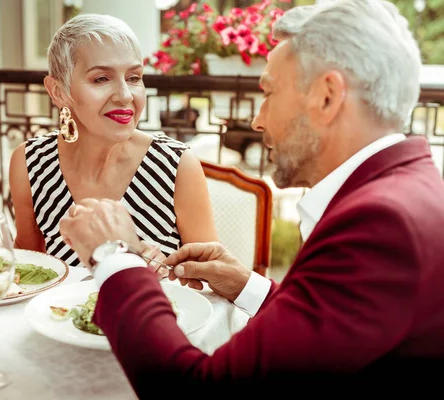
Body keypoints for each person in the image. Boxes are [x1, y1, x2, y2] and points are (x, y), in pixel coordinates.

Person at [57, 0, 444, 394]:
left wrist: (114, 257)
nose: (258, 120)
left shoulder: (382, 226)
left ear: (327, 97)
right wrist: (247, 285)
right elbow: (328, 328)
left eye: (269, 93)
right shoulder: (403, 193)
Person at [0, 14, 218, 272]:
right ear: (58, 92)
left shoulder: (175, 165)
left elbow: (209, 283)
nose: (125, 95)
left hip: (150, 336)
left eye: (134, 77)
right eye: (101, 79)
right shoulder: (30, 163)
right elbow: (28, 265)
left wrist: (164, 272)